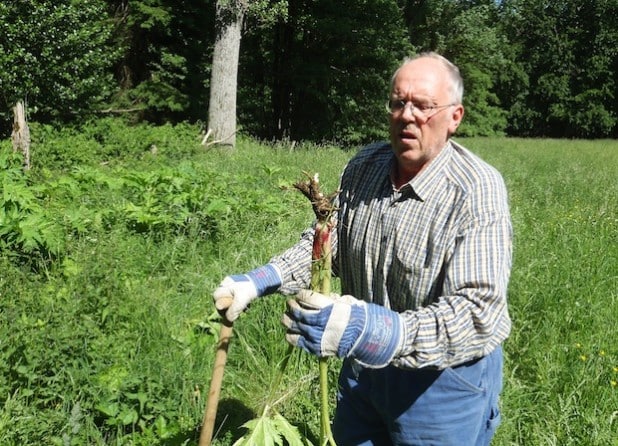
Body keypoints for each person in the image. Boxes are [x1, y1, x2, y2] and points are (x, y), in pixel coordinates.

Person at [213, 52, 512, 445]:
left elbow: (478, 314)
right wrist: (261, 280)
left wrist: (371, 330)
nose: (407, 115)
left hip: (441, 385)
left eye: (422, 105)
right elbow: (328, 245)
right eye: (398, 102)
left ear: (455, 116)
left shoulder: (475, 190)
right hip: (363, 374)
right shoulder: (364, 167)